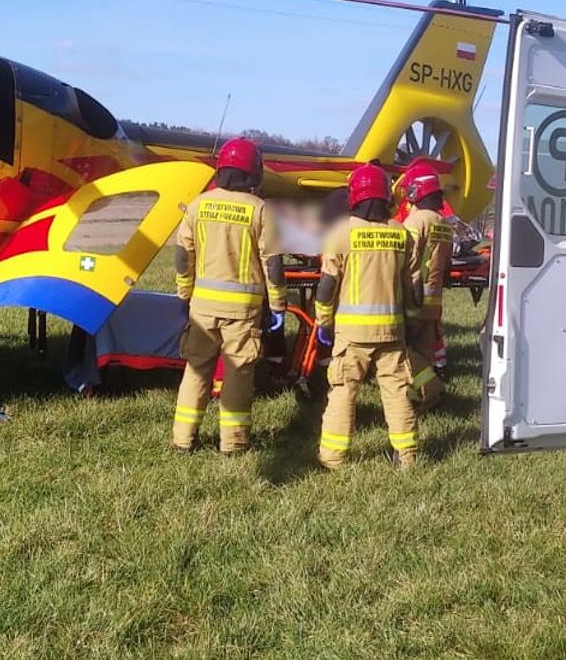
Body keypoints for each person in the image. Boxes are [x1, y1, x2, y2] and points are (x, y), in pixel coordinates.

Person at [169, 137, 287, 455]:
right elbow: (273, 263)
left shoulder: (198, 205)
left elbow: (183, 255)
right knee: (238, 374)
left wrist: (184, 294)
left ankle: (183, 439)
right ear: (253, 173)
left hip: (202, 308)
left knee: (196, 371)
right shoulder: (259, 210)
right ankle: (232, 444)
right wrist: (278, 306)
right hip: (244, 313)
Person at [313, 163, 422, 470]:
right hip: (392, 332)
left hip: (352, 335)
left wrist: (324, 322)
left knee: (344, 392)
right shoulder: (402, 235)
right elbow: (414, 286)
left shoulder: (341, 233)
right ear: (386, 196)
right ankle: (408, 456)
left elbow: (326, 286)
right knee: (397, 391)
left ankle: (332, 459)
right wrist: (412, 321)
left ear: (355, 197)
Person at [397, 161, 453, 412]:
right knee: (423, 352)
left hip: (413, 299)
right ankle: (418, 401)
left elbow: (405, 260)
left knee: (403, 352)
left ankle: (432, 389)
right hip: (434, 301)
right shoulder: (444, 223)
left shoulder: (415, 222)